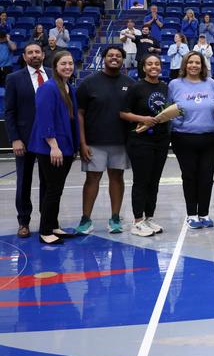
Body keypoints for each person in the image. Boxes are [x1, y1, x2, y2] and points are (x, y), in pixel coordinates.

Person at [75, 46, 135, 235]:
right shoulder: (88, 83)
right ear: (104, 58)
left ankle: (115, 218)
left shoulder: (130, 83)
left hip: (120, 141)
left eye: (118, 56)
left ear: (123, 60)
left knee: (117, 178)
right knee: (92, 179)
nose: (114, 58)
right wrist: (82, 143)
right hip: (94, 143)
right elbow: (80, 114)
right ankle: (86, 220)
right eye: (110, 55)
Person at [28, 51, 80, 244]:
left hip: (66, 146)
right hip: (52, 148)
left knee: (55, 188)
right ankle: (45, 230)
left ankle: (53, 224)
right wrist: (53, 146)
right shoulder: (48, 88)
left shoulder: (69, 88)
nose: (68, 67)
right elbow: (44, 118)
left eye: (70, 63)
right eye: (63, 64)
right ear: (55, 67)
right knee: (53, 189)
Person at [119, 54, 169, 237]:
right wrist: (143, 119)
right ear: (144, 67)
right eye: (150, 64)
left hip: (161, 140)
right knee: (141, 181)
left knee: (154, 181)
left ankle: (149, 217)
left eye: (157, 63)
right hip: (140, 141)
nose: (154, 66)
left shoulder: (165, 87)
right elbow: (123, 113)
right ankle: (137, 221)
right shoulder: (135, 87)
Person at [168, 51, 214, 229]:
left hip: (209, 138)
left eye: (197, 62)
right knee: (189, 177)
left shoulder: (212, 84)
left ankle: (204, 213)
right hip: (183, 138)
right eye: (190, 62)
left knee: (207, 177)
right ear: (185, 64)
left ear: (203, 65)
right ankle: (191, 214)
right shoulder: (174, 84)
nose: (194, 66)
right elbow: (168, 109)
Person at [4, 43, 50, 238]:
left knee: (49, 182)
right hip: (25, 138)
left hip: (50, 138)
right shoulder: (14, 78)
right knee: (24, 181)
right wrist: (15, 139)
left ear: (43, 54)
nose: (34, 55)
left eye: (37, 52)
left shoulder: (52, 74)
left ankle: (48, 220)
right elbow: (10, 111)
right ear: (24, 57)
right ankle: (24, 222)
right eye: (30, 53)